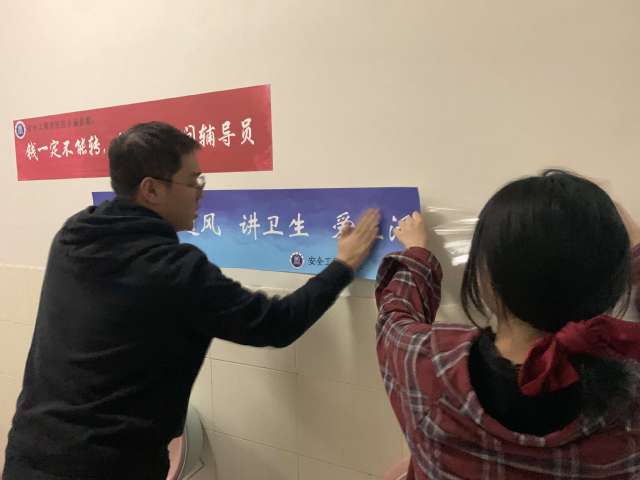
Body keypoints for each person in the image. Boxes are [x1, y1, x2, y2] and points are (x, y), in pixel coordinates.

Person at [3, 121, 381, 480]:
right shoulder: (173, 270)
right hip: (107, 466)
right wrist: (343, 265)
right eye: (192, 180)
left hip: (28, 454)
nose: (201, 191)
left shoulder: (73, 235)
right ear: (151, 190)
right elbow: (276, 323)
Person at [376, 170, 640, 479]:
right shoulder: (628, 405)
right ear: (614, 280)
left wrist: (417, 252)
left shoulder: (427, 361)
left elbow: (395, 314)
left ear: (485, 276)